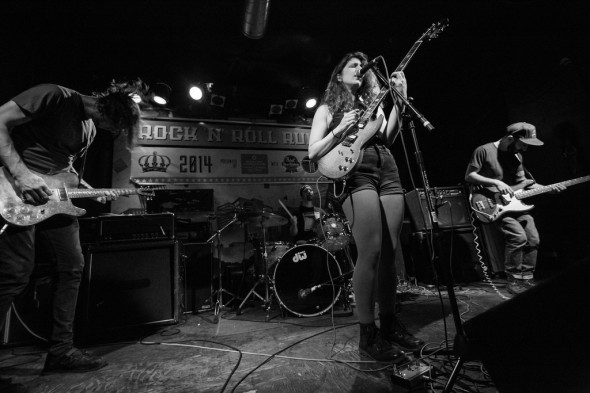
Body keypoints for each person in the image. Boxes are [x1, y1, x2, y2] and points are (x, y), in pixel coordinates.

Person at [0, 79, 145, 385]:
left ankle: (61, 351)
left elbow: (65, 172)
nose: (112, 133)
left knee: (72, 267)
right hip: (15, 191)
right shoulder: (53, 96)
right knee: (15, 272)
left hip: (54, 202)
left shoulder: (90, 128)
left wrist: (93, 191)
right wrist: (22, 175)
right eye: (114, 128)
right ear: (107, 113)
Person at [308, 52, 424, 362]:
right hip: (356, 173)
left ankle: (389, 323)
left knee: (390, 252)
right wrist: (339, 128)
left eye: (363, 65)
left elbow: (388, 137)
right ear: (339, 75)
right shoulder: (327, 109)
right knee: (370, 251)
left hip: (387, 167)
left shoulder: (373, 106)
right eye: (353, 65)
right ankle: (367, 332)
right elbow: (313, 152)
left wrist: (400, 102)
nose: (361, 69)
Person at [465, 122, 565, 295]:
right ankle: (513, 279)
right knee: (517, 236)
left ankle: (526, 279)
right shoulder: (484, 150)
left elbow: (523, 185)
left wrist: (548, 189)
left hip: (514, 203)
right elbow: (470, 175)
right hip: (492, 203)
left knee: (533, 238)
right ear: (511, 138)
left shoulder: (517, 156)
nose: (525, 149)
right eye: (523, 144)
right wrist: (496, 182)